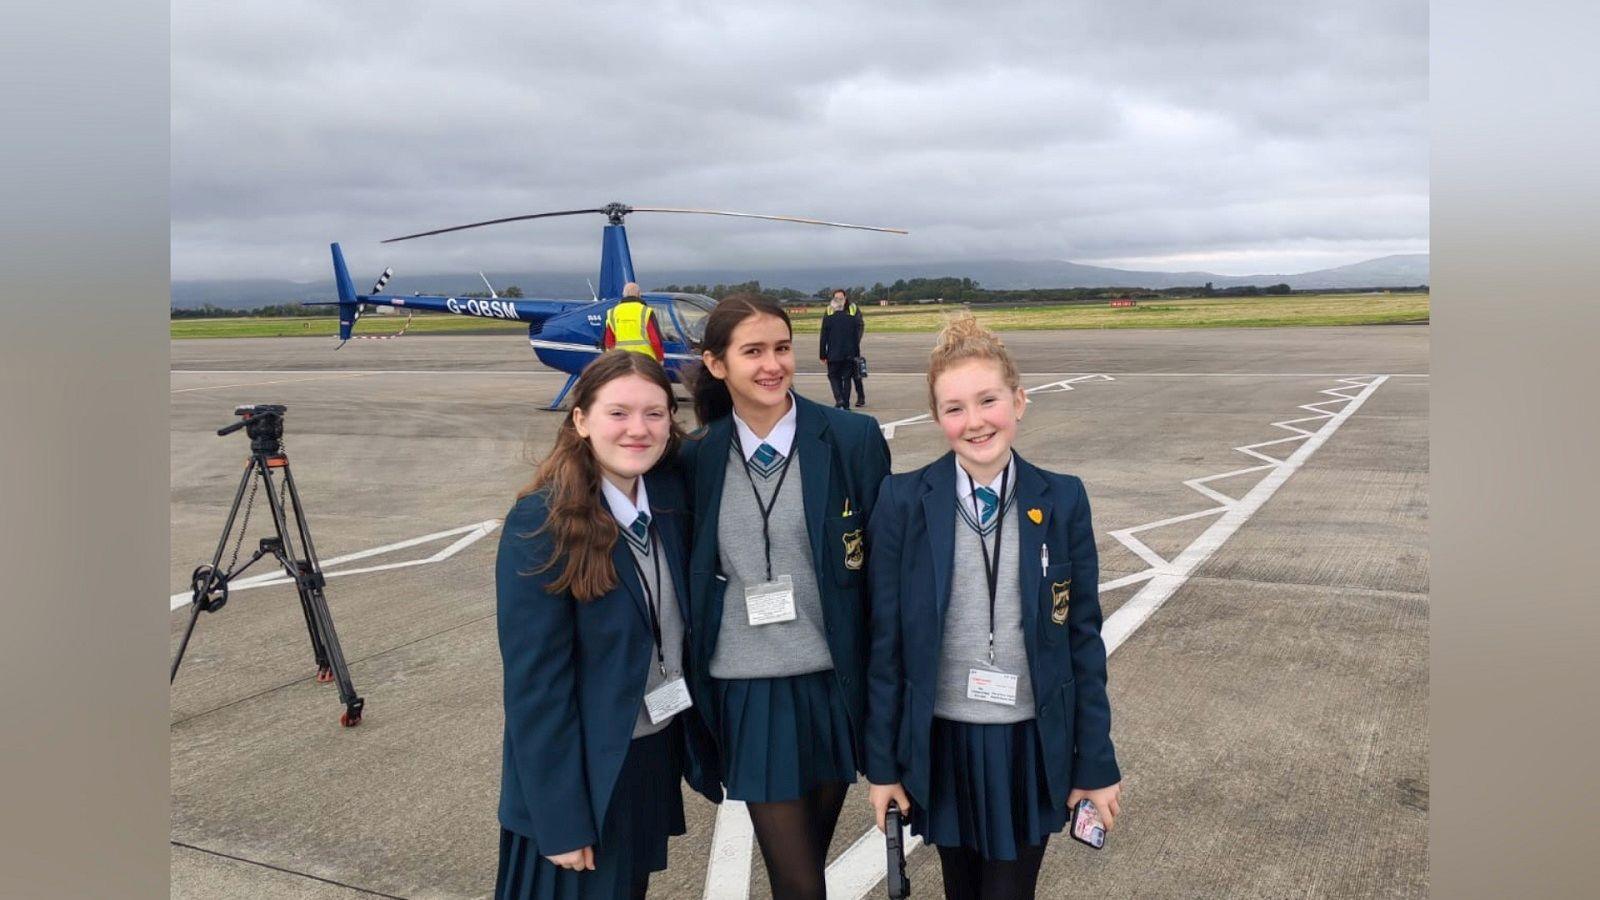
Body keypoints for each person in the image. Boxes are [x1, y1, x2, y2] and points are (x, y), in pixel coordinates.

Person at [863, 313, 1123, 900]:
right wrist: (883, 766)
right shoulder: (903, 501)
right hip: (943, 742)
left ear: (1019, 401)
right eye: (954, 408)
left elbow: (1083, 639)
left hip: (1028, 741)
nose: (974, 421)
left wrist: (1096, 764)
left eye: (988, 401)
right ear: (937, 418)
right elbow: (886, 645)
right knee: (961, 887)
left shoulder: (1062, 499)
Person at [680, 294, 892, 899]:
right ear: (717, 364)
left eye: (781, 348)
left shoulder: (851, 439)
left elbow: (881, 569)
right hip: (750, 691)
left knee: (803, 870)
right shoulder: (698, 456)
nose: (772, 364)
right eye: (753, 352)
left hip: (830, 682)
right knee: (799, 882)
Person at [494, 350, 721, 900]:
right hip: (583, 775)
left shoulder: (663, 499)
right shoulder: (542, 523)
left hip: (645, 755)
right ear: (580, 420)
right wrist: (561, 819)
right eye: (618, 413)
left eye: (654, 414)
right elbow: (535, 688)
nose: (638, 430)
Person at [819, 290, 863, 410]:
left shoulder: (828, 319)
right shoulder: (852, 319)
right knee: (847, 378)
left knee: (833, 376)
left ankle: (839, 399)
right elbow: (856, 338)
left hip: (833, 354)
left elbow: (823, 338)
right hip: (849, 354)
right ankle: (846, 403)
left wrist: (822, 355)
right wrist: (856, 355)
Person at [602, 282, 666, 363]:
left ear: (623, 294)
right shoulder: (645, 311)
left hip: (622, 361)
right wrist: (660, 359)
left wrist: (613, 361)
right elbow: (655, 341)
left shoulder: (612, 312)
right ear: (639, 294)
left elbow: (609, 342)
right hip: (645, 361)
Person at [846, 291, 867, 407]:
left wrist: (856, 341)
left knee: (856, 373)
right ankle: (844, 399)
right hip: (839, 347)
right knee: (843, 374)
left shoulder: (853, 308)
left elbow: (860, 325)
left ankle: (861, 397)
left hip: (853, 346)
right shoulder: (832, 309)